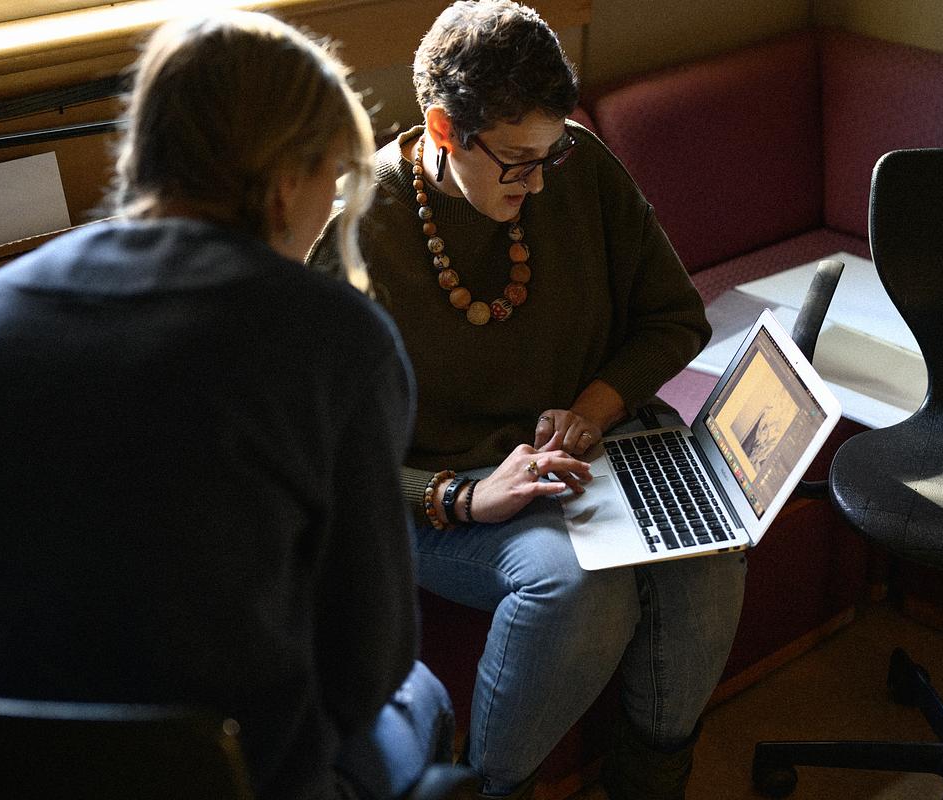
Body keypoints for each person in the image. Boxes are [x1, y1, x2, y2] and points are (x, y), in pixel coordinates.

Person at [0, 11, 452, 800]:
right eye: (333, 174)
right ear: (286, 177)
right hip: (225, 776)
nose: (330, 204)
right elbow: (369, 662)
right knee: (418, 694)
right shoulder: (335, 342)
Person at [308, 2, 748, 798]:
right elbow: (324, 463)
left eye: (551, 153)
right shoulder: (359, 237)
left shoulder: (574, 165)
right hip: (431, 497)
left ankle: (650, 780)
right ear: (444, 131)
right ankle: (483, 788)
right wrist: (466, 496)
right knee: (578, 586)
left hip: (585, 456)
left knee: (706, 550)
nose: (540, 181)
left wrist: (594, 405)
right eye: (517, 161)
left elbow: (674, 317)